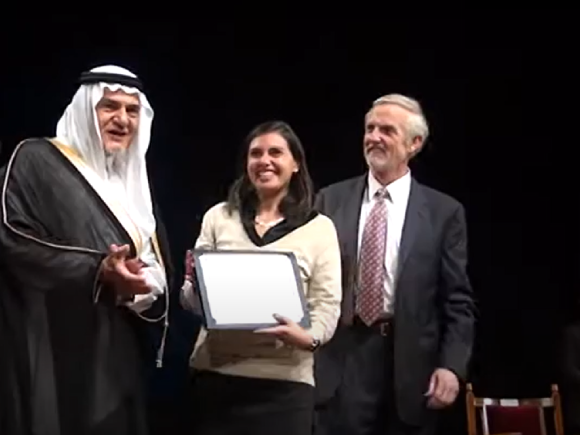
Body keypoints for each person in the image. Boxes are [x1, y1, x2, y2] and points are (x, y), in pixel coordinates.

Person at [0, 65, 172, 435]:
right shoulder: (36, 160)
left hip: (117, 350)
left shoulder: (132, 188)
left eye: (131, 111)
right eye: (109, 107)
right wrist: (97, 269)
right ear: (84, 109)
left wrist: (147, 283)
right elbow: (11, 237)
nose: (122, 119)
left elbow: (155, 261)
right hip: (51, 341)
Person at [313, 94, 476, 435]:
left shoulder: (444, 213)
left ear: (414, 143)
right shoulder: (329, 200)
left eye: (387, 130)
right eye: (370, 128)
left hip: (411, 364)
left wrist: (451, 366)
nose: (374, 137)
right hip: (343, 360)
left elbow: (457, 301)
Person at [181, 120, 342, 435]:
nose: (264, 161)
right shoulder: (219, 217)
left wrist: (309, 338)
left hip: (285, 385)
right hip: (216, 376)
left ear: (295, 164)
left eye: (276, 153)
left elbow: (327, 301)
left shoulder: (319, 227)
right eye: (256, 153)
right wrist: (193, 288)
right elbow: (192, 303)